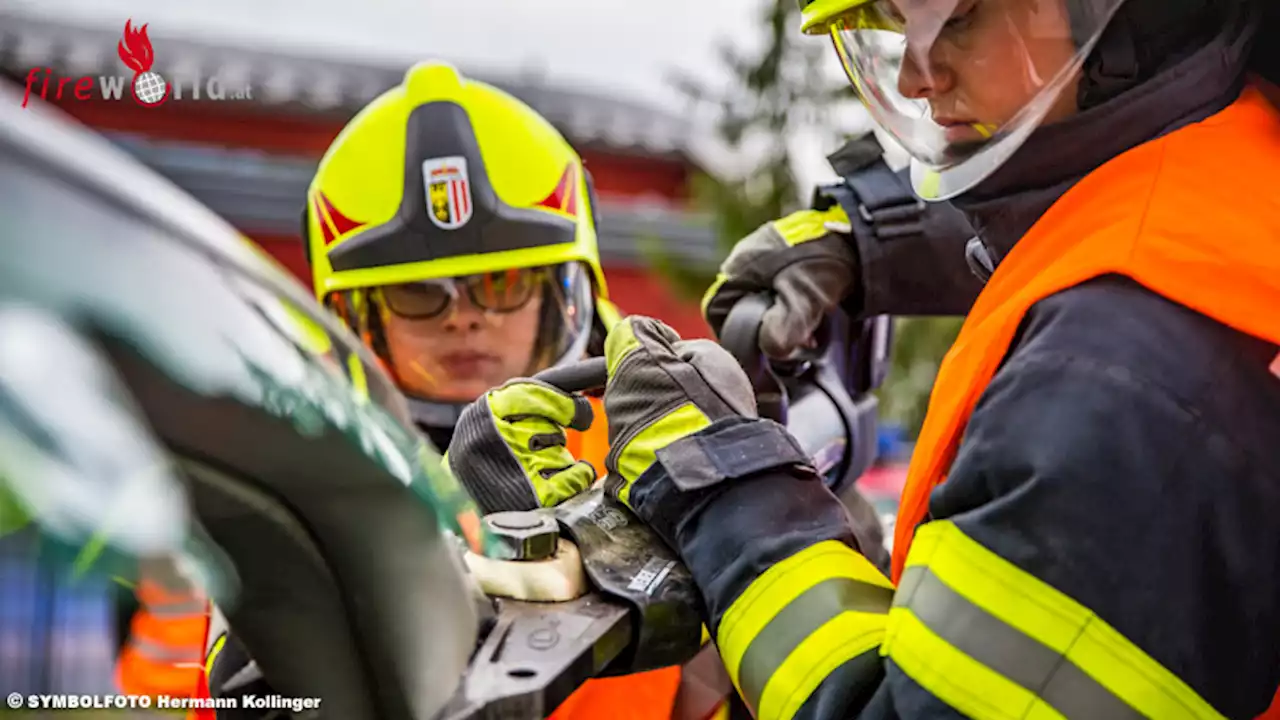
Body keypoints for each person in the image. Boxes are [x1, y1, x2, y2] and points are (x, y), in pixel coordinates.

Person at [452, 0, 1280, 717]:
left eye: (951, 16)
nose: (918, 77)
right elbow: (1102, 208)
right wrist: (869, 243)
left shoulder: (1120, 386)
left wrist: (719, 480)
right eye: (894, 28)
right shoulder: (1236, 179)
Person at [199, 60, 734, 720]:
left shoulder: (660, 460)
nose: (464, 316)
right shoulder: (286, 482)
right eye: (417, 291)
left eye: (503, 283)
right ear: (351, 318)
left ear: (568, 296)